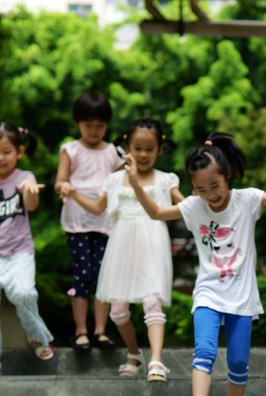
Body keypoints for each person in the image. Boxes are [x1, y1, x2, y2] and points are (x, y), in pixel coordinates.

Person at [126, 131, 266, 396]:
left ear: (228, 175)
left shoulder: (248, 199)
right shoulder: (193, 206)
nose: (210, 195)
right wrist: (136, 183)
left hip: (241, 297)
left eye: (215, 186)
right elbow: (156, 213)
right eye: (201, 189)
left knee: (239, 361)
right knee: (204, 351)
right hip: (208, 293)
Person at [60, 117, 184, 381]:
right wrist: (74, 195)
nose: (143, 154)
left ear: (160, 150)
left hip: (152, 242)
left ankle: (157, 361)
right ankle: (134, 353)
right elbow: (97, 208)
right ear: (127, 147)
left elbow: (184, 207)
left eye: (149, 149)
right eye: (137, 148)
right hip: (121, 244)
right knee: (118, 311)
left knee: (153, 303)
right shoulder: (115, 179)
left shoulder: (165, 180)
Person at [54, 92, 123, 352]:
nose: (94, 131)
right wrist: (65, 188)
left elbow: (121, 182)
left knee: (103, 277)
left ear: (107, 124)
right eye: (88, 125)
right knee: (83, 275)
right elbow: (60, 181)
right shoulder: (70, 149)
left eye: (100, 126)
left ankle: (101, 331)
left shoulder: (113, 153)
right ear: (77, 123)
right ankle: (81, 331)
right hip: (78, 223)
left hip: (106, 223)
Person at [0, 121, 54, 371]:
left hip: (19, 252)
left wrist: (30, 192)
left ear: (19, 152)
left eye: (6, 152)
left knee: (22, 293)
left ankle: (38, 337)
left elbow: (31, 205)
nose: (1, 158)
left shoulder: (24, 177)